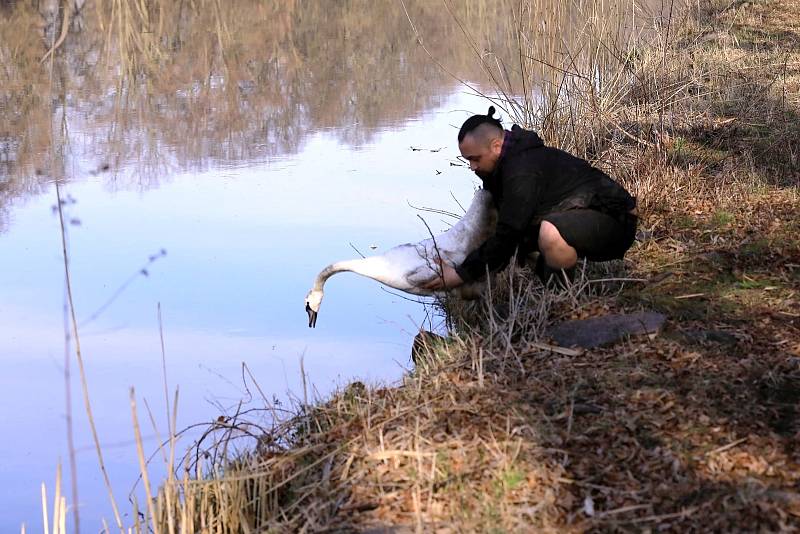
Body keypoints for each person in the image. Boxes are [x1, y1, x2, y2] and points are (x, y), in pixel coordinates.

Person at [424, 106, 637, 291]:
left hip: (616, 220)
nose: (472, 167)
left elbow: (508, 233)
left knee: (549, 232)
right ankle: (555, 284)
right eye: (467, 160)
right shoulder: (501, 166)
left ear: (496, 146)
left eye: (475, 159)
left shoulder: (521, 171)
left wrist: (460, 275)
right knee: (524, 238)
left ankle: (561, 299)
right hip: (583, 212)